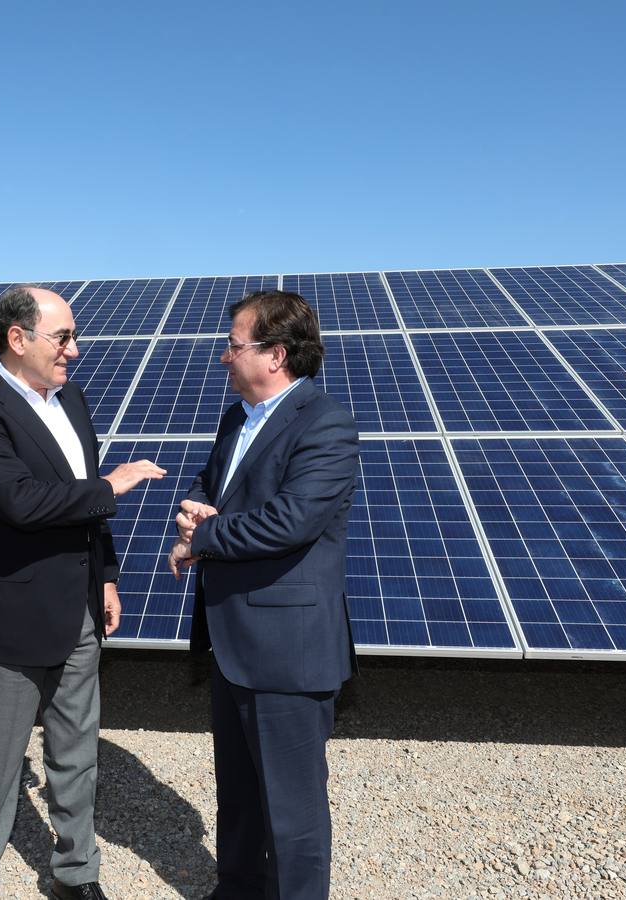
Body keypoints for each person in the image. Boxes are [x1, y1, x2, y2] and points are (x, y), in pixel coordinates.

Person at [0, 285, 166, 900]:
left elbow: (82, 513)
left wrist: (107, 575)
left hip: (81, 608)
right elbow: (17, 500)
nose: (75, 349)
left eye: (73, 336)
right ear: (18, 340)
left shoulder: (70, 398)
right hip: (10, 614)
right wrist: (110, 486)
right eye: (63, 337)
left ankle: (76, 874)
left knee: (76, 754)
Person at [168, 290, 359, 900]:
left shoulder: (324, 421)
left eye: (233, 344)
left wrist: (204, 538)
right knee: (241, 796)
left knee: (293, 814)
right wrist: (197, 506)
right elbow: (214, 481)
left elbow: (293, 519)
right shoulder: (237, 419)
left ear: (275, 354)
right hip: (232, 642)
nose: (224, 356)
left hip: (287, 648)